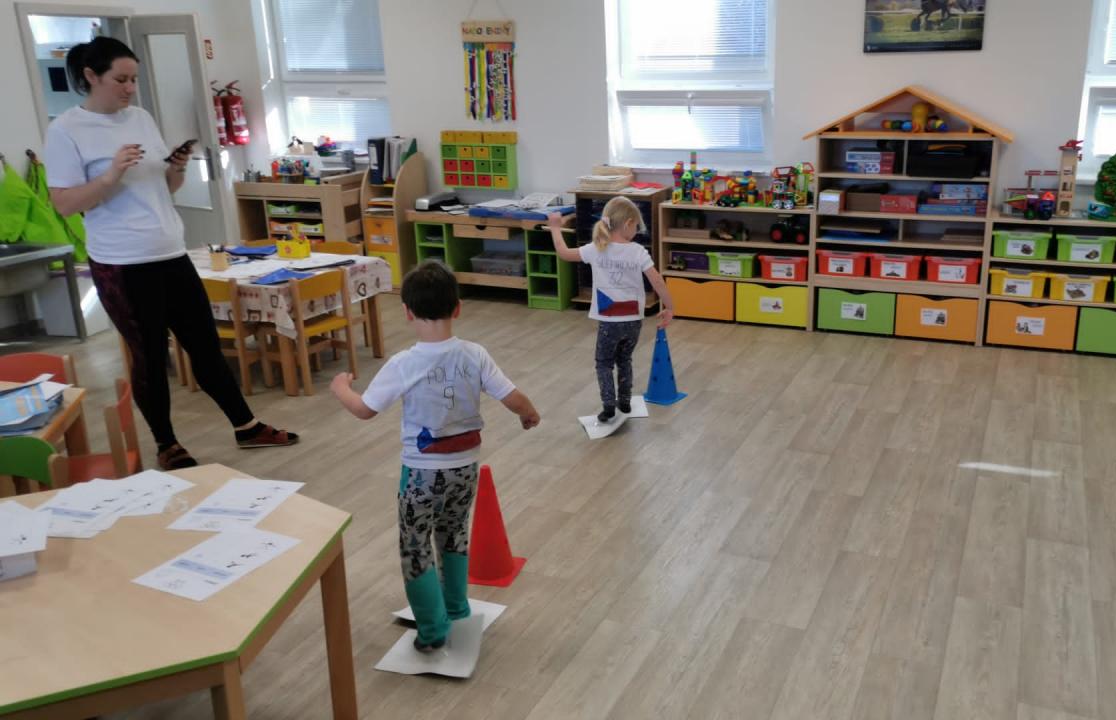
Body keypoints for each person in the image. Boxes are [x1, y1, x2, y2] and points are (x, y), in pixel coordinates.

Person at [43, 36, 298, 471]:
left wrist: (176, 167)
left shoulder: (141, 118)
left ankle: (247, 426)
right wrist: (110, 175)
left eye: (134, 79)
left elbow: (166, 187)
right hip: (122, 263)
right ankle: (166, 444)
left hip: (170, 252)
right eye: (121, 80)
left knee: (206, 346)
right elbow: (65, 204)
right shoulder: (66, 130)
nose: (130, 88)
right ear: (90, 76)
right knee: (150, 355)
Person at [330, 260, 539, 652]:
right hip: (465, 469)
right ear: (457, 307)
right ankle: (456, 608)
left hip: (421, 474)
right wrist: (529, 414)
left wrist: (341, 386)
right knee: (454, 533)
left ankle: (432, 630)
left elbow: (364, 409)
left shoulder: (404, 363)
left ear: (407, 312)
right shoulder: (475, 354)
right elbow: (511, 396)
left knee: (415, 545)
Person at [548, 198, 674, 423]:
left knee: (604, 363)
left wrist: (556, 228)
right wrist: (669, 307)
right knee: (625, 360)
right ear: (628, 223)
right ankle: (624, 401)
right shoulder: (637, 251)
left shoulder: (596, 249)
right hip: (633, 320)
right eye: (637, 226)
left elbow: (564, 253)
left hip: (609, 321)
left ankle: (608, 406)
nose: (637, 231)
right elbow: (657, 281)